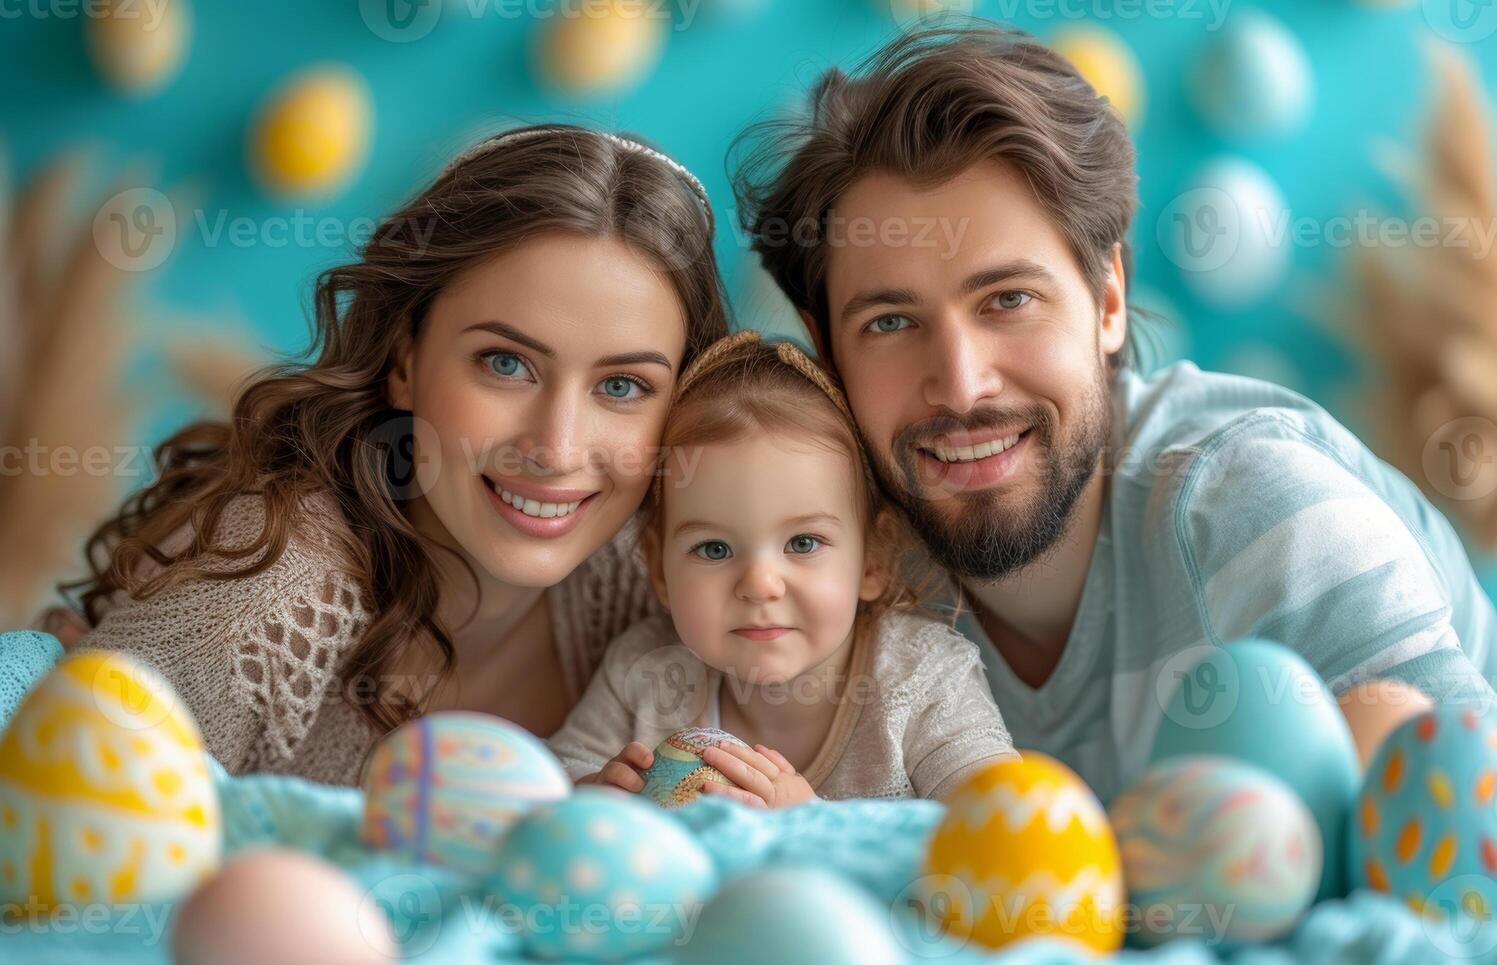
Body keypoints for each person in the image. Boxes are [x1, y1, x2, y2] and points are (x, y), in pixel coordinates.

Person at [731, 25, 1497, 803]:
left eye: (1008, 300)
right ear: (825, 350)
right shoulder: (835, 571)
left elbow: (1467, 842)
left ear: (1107, 301)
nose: (960, 387)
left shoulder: (1256, 506)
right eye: (890, 323)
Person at [35, 124, 731, 785]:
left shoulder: (666, 583)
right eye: (505, 363)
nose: (556, 447)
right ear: (404, 360)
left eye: (621, 386)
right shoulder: (260, 607)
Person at [547, 331, 1015, 807]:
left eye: (803, 542)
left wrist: (813, 826)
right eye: (713, 549)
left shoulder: (922, 679)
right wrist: (592, 792)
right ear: (660, 569)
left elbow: (999, 826)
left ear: (873, 559)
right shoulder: (645, 672)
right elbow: (546, 779)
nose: (759, 585)